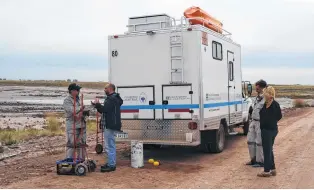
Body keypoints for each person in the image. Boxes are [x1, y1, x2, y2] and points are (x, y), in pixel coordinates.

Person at [92, 83, 123, 172]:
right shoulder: (115, 98)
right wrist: (97, 106)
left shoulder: (111, 99)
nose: (104, 90)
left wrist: (97, 104)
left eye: (105, 88)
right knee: (110, 145)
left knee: (109, 145)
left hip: (110, 125)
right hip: (112, 124)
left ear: (110, 89)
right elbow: (106, 110)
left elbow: (105, 110)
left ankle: (111, 165)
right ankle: (110, 162)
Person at [257, 86, 282, 177]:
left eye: (266, 93)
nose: (264, 95)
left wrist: (270, 122)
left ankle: (266, 171)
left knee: (266, 151)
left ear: (270, 94)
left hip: (270, 130)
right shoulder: (265, 104)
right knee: (269, 150)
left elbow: (279, 116)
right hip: (265, 130)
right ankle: (273, 169)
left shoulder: (275, 104)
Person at [246, 79, 267, 167]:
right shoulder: (258, 97)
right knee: (250, 140)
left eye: (257, 88)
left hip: (260, 123)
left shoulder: (266, 98)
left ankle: (260, 161)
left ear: (262, 87)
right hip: (253, 121)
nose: (256, 89)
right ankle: (253, 159)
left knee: (259, 142)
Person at [63, 83, 87, 160]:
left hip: (81, 125)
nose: (78, 91)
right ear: (72, 91)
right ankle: (69, 163)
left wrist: (84, 113)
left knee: (81, 145)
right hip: (72, 126)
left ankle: (81, 161)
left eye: (79, 90)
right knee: (71, 145)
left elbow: (80, 110)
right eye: (77, 90)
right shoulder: (67, 100)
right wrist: (80, 108)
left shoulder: (78, 99)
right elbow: (71, 110)